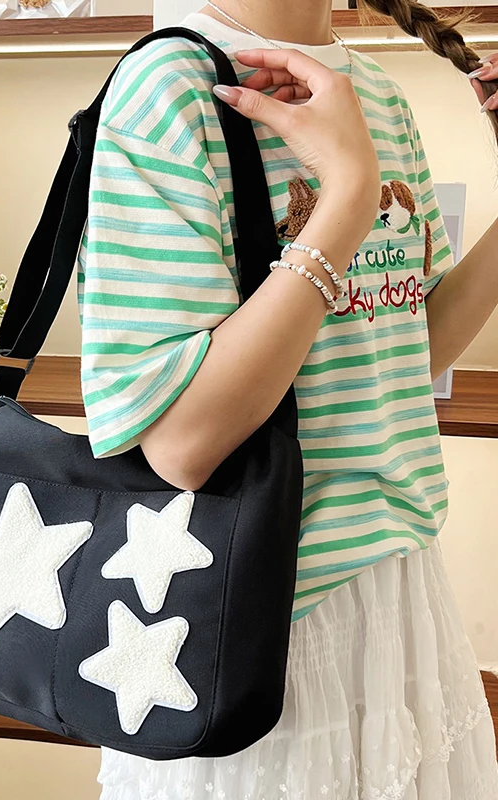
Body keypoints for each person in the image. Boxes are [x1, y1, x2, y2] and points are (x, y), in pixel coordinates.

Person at [76, 0, 498, 797]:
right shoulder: (171, 88)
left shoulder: (379, 95)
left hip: (401, 592)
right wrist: (347, 196)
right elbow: (181, 445)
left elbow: (408, 352)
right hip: (261, 622)